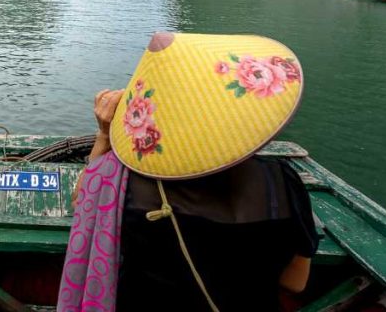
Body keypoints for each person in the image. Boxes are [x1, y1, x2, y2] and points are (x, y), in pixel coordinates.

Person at [61, 32, 318, 311]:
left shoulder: (126, 179)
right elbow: (296, 282)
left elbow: (83, 202)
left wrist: (104, 136)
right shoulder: (281, 182)